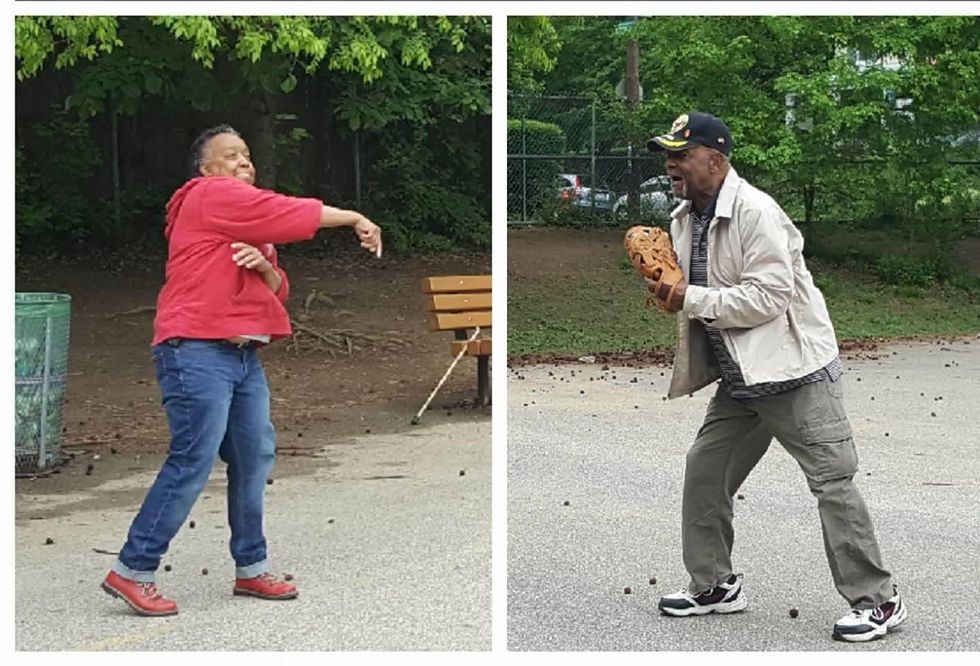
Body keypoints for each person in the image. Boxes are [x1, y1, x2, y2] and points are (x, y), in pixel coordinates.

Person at [642, 112, 905, 642]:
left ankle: (878, 602)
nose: (671, 163)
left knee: (832, 483)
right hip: (741, 379)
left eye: (681, 154)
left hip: (794, 373)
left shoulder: (757, 213)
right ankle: (715, 584)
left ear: (715, 160)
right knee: (705, 471)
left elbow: (769, 298)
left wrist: (687, 297)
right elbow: (700, 294)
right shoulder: (684, 217)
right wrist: (669, 289)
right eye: (667, 154)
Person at [101, 124, 382, 616]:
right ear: (205, 170)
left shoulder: (245, 224)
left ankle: (251, 570)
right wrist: (353, 216)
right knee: (193, 458)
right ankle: (132, 569)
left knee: (254, 458)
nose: (243, 163)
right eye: (230, 156)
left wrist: (264, 268)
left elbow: (274, 294)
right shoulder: (208, 196)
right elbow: (287, 210)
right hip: (195, 351)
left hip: (242, 358)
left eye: (247, 155)